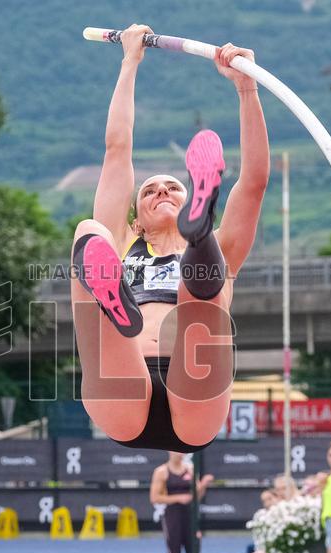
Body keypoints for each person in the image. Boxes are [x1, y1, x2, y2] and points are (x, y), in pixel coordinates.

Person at [70, 23, 269, 454]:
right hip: (123, 382)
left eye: (172, 187)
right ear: (136, 219)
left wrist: (246, 90)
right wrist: (129, 61)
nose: (160, 190)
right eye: (149, 190)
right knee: (89, 233)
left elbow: (253, 183)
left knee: (203, 294)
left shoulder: (225, 250)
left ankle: (197, 235)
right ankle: (112, 306)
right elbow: (117, 150)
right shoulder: (123, 242)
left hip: (194, 382)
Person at [150, 451, 214, 553]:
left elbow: (197, 495)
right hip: (172, 517)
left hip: (189, 517)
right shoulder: (162, 471)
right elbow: (154, 497)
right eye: (176, 451)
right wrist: (177, 498)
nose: (180, 454)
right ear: (170, 452)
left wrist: (203, 485)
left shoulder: (190, 469)